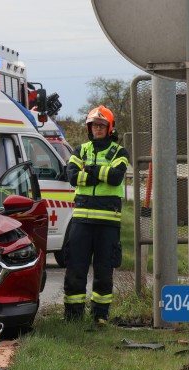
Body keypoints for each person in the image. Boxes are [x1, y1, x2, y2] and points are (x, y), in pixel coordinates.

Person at [62, 106, 129, 328]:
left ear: (109, 128)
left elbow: (115, 177)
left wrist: (88, 171)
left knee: (104, 271)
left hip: (108, 223)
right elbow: (72, 176)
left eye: (101, 126)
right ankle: (73, 317)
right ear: (89, 128)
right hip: (81, 222)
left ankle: (100, 316)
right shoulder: (80, 150)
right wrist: (98, 173)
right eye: (94, 126)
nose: (97, 129)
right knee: (75, 269)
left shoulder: (120, 153)